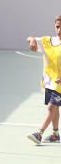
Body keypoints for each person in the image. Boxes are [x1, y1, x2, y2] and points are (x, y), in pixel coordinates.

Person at [26, 15, 61, 144]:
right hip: (49, 83)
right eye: (57, 27)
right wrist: (32, 41)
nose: (59, 30)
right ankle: (56, 134)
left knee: (52, 108)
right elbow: (30, 37)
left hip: (60, 85)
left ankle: (39, 134)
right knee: (55, 109)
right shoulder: (47, 41)